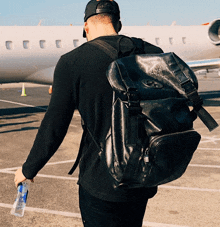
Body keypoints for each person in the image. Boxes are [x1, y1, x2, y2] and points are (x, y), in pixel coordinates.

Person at [14, 0, 163, 226]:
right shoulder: (152, 53)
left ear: (86, 27)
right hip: (143, 175)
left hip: (101, 180)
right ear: (118, 23)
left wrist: (29, 168)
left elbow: (55, 124)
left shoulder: (72, 62)